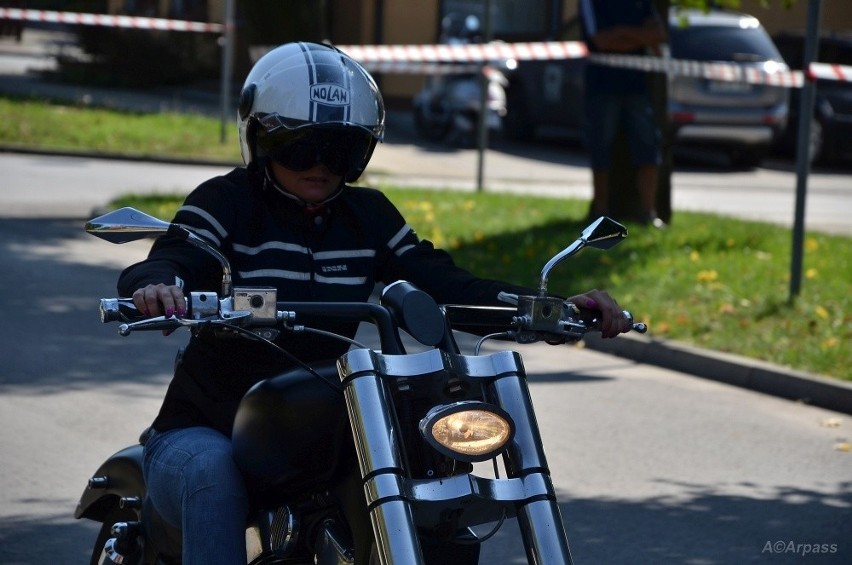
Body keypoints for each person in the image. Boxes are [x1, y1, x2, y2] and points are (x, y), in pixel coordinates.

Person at [119, 41, 632, 564]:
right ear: (262, 138)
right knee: (212, 476)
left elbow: (443, 283)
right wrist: (157, 286)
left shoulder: (368, 216)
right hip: (211, 423)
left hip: (328, 416)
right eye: (302, 147)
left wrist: (547, 308)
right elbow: (176, 255)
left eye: (341, 151)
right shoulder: (225, 202)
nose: (321, 166)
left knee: (424, 462)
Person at [579, 0, 666, 227]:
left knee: (648, 145)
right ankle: (600, 214)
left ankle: (648, 214)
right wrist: (637, 36)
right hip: (602, 85)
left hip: (636, 86)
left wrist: (621, 32)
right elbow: (600, 40)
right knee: (601, 147)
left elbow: (657, 35)